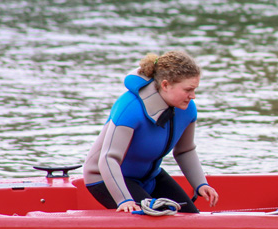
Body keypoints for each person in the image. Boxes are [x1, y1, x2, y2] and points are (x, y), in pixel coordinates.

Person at [83, 50, 219, 213]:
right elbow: (108, 158)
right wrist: (124, 200)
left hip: (150, 177)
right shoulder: (130, 108)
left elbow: (185, 150)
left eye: (195, 89)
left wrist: (200, 184)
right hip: (106, 179)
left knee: (190, 215)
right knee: (154, 217)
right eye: (188, 89)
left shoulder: (187, 109)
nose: (193, 96)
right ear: (166, 85)